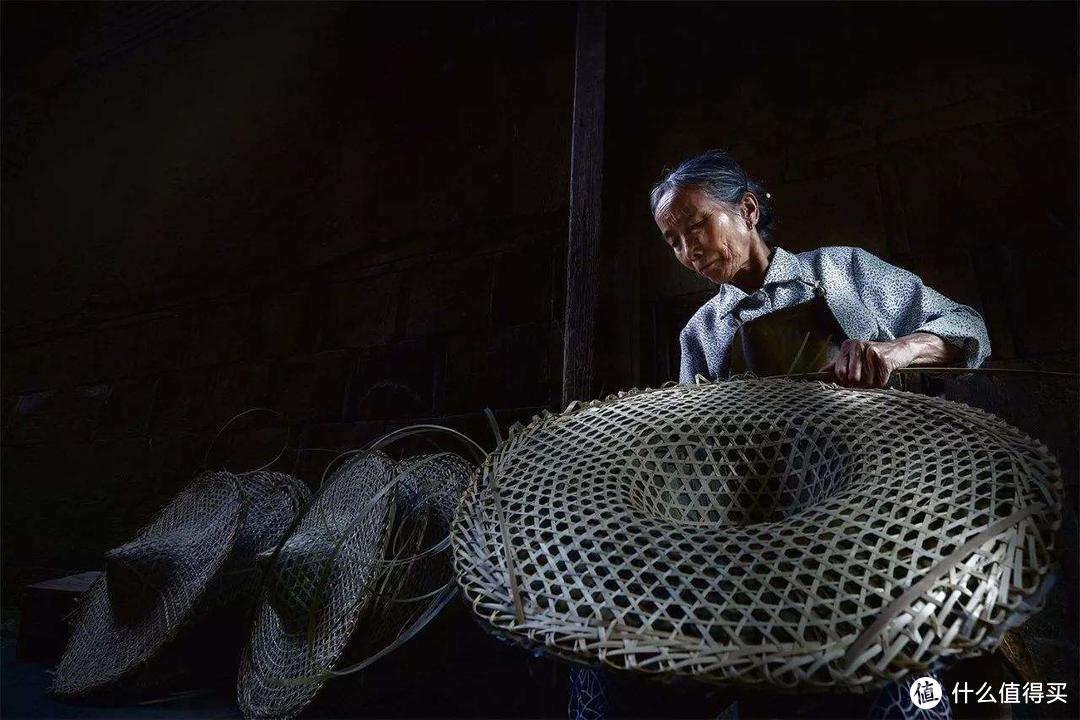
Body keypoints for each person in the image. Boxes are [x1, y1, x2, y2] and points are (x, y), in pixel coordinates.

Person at [652, 150, 990, 387]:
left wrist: (898, 350)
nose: (689, 250)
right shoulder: (700, 334)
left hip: (889, 472)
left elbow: (969, 328)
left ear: (748, 210)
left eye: (697, 226)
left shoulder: (842, 268)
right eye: (674, 242)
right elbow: (699, 449)